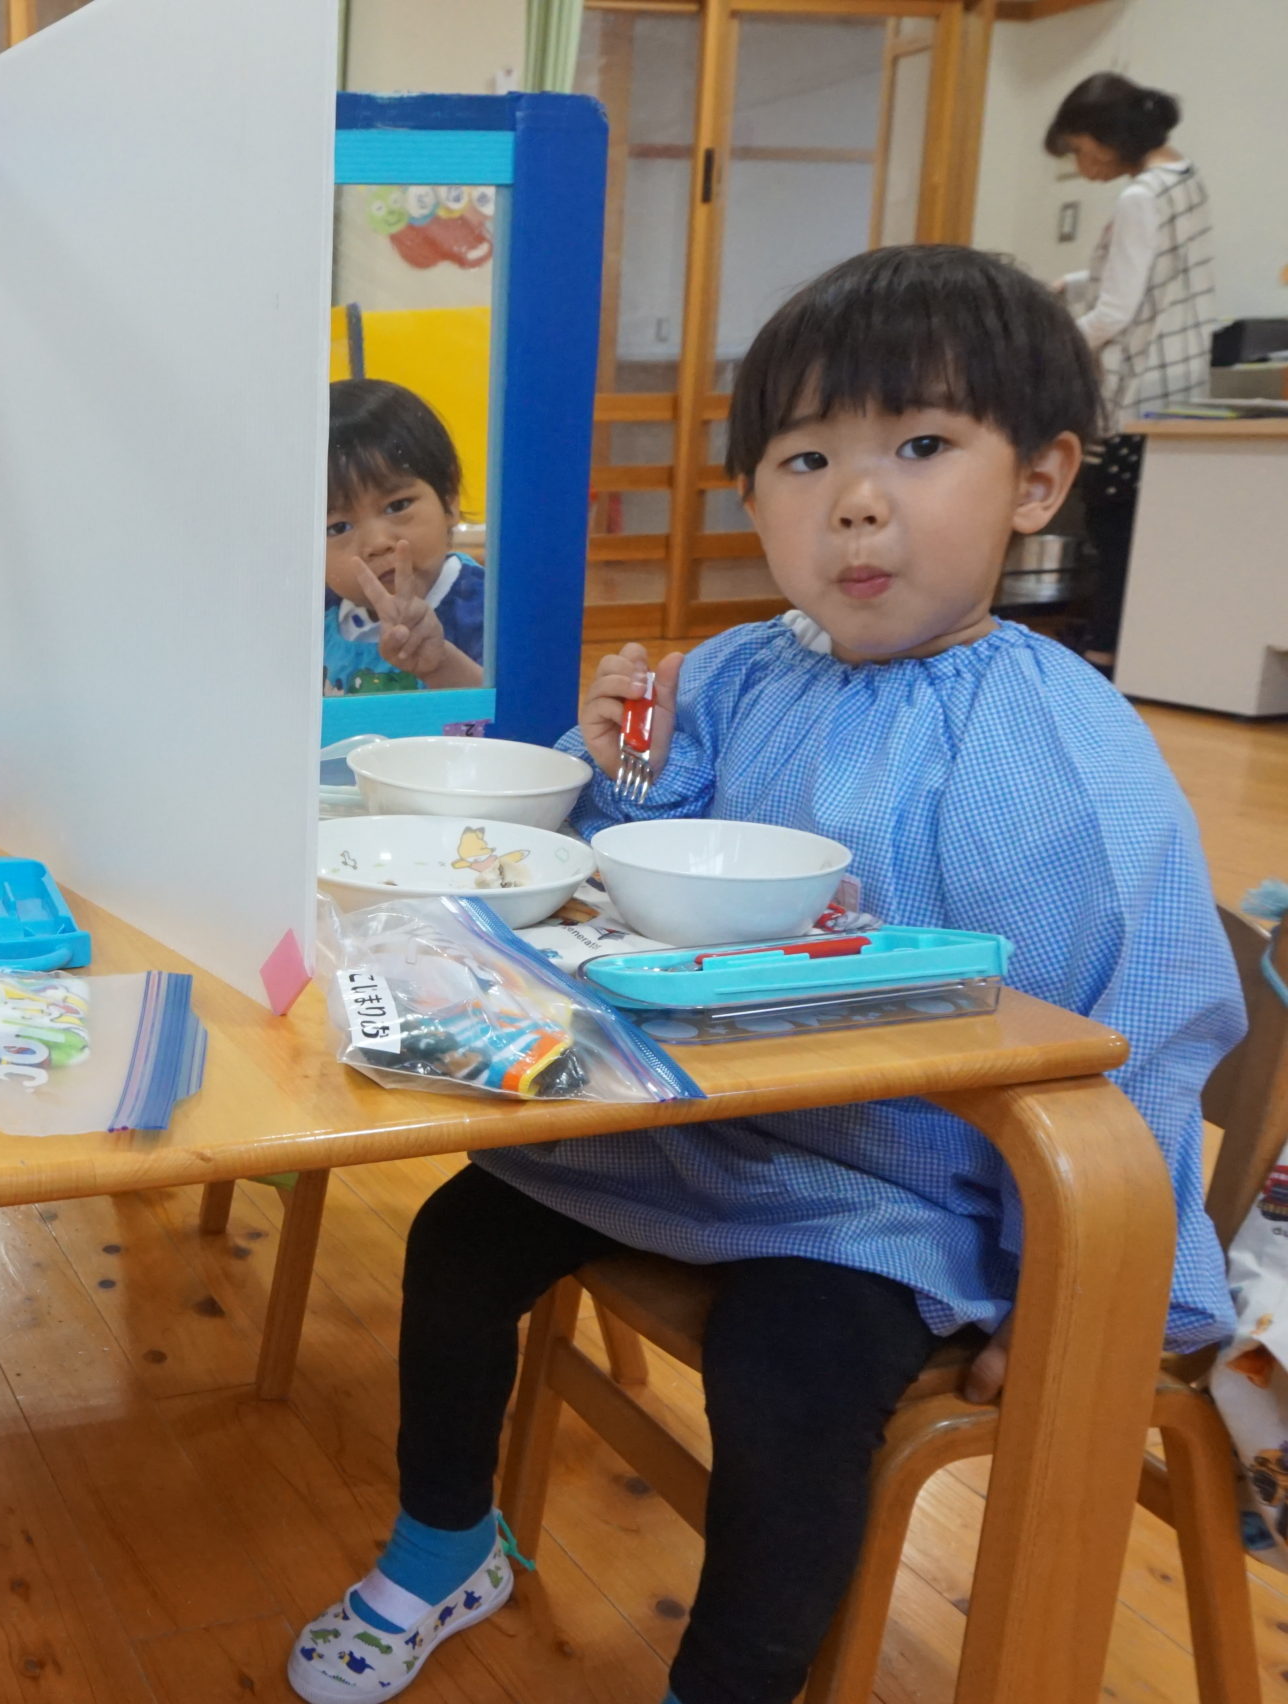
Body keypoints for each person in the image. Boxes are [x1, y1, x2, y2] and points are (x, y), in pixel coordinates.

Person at [285, 246, 1240, 1704]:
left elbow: (1148, 1030)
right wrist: (621, 758)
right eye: (806, 460)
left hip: (901, 1195)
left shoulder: (1064, 748)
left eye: (920, 447)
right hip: (694, 1122)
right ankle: (444, 1545)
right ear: (753, 500)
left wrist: (1093, 1297)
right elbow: (633, 861)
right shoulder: (745, 668)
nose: (855, 500)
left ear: (1039, 482)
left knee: (786, 1382)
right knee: (459, 1236)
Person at [1044, 72, 1215, 664]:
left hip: (1136, 388)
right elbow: (1155, 273)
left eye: (1079, 149)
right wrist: (1074, 283)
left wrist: (1047, 341)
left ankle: (1105, 649)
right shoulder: (1185, 178)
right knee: (1148, 531)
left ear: (1107, 138)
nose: (1081, 164)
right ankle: (1129, 647)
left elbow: (1116, 312)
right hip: (1181, 381)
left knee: (1113, 525)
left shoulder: (1139, 197)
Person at [322, 379, 485, 696]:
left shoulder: (485, 611)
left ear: (449, 499)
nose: (377, 543)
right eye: (338, 527)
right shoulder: (316, 617)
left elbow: (515, 716)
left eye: (397, 506)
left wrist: (441, 665)